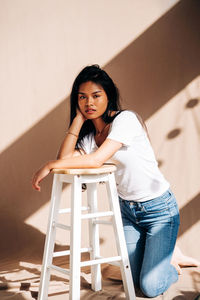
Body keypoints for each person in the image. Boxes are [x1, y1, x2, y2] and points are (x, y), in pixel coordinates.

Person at [32, 65, 200, 297]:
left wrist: (49, 166)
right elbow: (66, 159)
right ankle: (164, 255)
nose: (89, 102)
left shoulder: (126, 120)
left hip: (159, 210)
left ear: (108, 96)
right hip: (128, 212)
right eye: (82, 97)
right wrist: (78, 121)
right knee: (131, 279)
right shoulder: (91, 138)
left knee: (150, 287)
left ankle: (170, 264)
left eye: (96, 95)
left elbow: (96, 160)